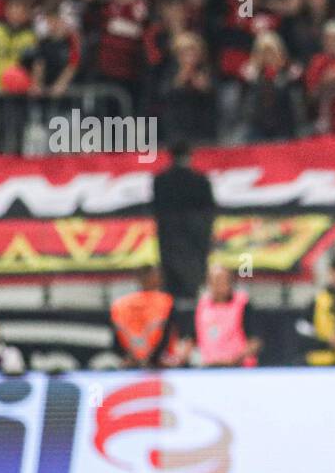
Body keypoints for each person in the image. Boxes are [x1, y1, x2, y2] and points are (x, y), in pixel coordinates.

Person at [152, 141, 216, 307]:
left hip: (169, 244)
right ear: (189, 155)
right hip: (195, 245)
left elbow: (156, 212)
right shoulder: (201, 180)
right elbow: (210, 212)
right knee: (192, 290)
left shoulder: (160, 181)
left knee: (171, 291)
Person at [110, 266, 183, 368]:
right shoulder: (165, 302)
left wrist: (130, 357)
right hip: (159, 363)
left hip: (131, 361)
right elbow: (169, 332)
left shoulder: (120, 304)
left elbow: (116, 336)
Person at [194, 264, 261, 367]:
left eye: (223, 280)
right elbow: (192, 339)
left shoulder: (243, 304)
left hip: (237, 368)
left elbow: (255, 342)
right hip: (209, 369)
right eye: (215, 281)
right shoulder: (202, 305)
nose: (219, 285)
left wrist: (236, 358)